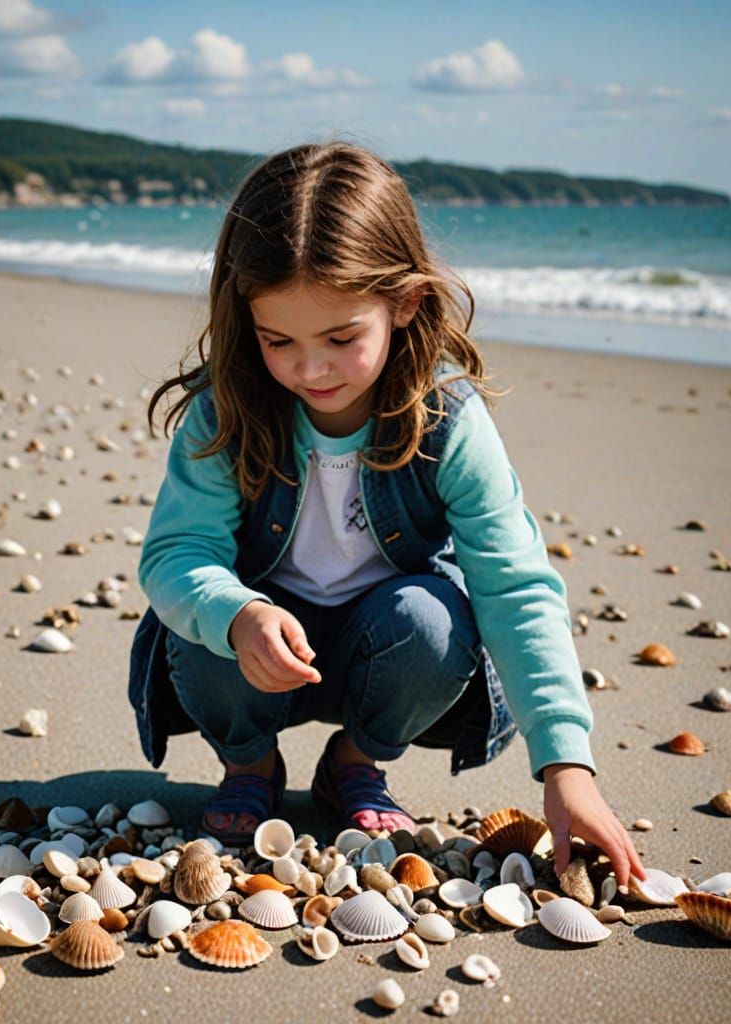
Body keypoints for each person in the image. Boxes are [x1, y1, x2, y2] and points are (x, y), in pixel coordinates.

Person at [128, 142, 645, 892]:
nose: (311, 369)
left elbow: (517, 586)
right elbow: (175, 556)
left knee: (435, 618)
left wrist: (567, 766)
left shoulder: (447, 421)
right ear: (246, 315)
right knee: (200, 621)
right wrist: (237, 614)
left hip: (387, 653)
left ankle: (355, 763)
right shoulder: (227, 412)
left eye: (342, 339)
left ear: (403, 301)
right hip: (249, 661)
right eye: (280, 341)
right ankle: (248, 763)